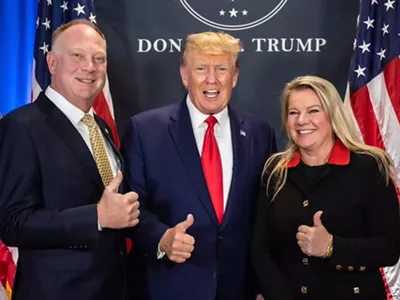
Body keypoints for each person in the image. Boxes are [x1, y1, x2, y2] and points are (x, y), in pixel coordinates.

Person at [121, 31, 277, 300]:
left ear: (235, 76)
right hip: (167, 287)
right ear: (184, 75)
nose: (212, 79)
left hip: (238, 290)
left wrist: (265, 286)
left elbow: (268, 216)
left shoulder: (259, 133)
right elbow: (131, 206)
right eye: (201, 69)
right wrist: (162, 238)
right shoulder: (145, 130)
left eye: (222, 69)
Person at [0, 20, 140, 300]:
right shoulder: (22, 126)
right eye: (77, 56)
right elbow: (12, 223)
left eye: (98, 59)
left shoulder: (100, 126)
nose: (89, 66)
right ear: (52, 63)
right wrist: (96, 217)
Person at [251, 75, 400, 300]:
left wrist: (332, 246)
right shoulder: (275, 170)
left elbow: (390, 248)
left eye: (313, 111)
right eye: (293, 112)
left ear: (332, 115)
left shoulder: (370, 166)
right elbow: (261, 250)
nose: (302, 120)